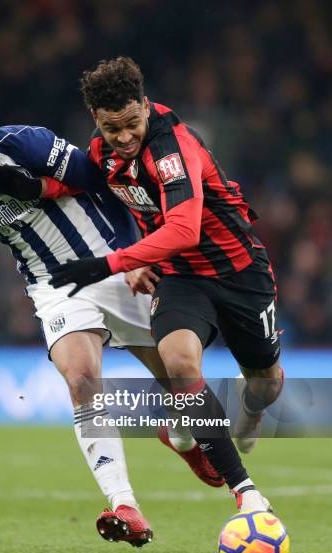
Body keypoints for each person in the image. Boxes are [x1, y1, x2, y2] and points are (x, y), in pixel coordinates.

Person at [0, 95, 223, 549]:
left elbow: (107, 184)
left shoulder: (31, 145)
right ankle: (125, 504)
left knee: (178, 378)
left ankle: (180, 438)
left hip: (110, 261)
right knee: (82, 378)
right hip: (53, 287)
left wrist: (129, 258)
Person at [39, 57, 286, 513]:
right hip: (179, 276)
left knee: (265, 382)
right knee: (178, 363)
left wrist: (114, 261)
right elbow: (84, 186)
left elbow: (184, 229)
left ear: (145, 106)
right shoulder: (102, 150)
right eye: (113, 128)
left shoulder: (171, 147)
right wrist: (25, 187)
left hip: (239, 272)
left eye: (132, 123)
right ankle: (247, 494)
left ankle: (251, 410)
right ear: (97, 121)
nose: (125, 136)